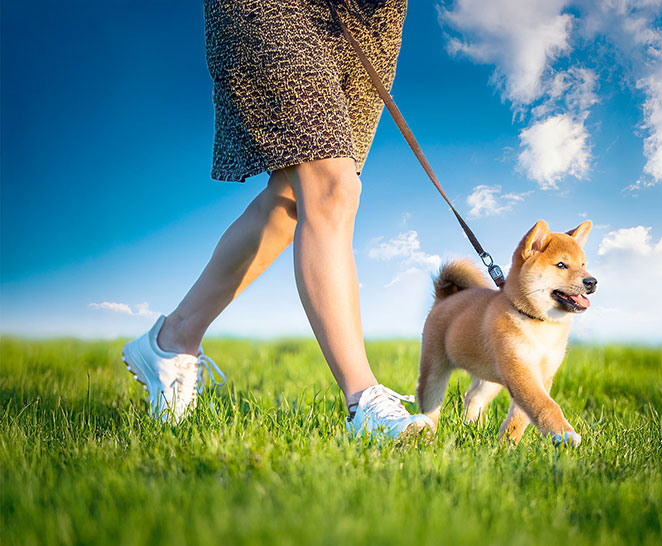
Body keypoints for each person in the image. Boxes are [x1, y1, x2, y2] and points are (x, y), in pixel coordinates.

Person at [122, 0, 434, 439]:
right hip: (273, 8)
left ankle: (172, 340)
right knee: (332, 186)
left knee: (296, 202)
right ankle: (364, 403)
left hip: (370, 21)